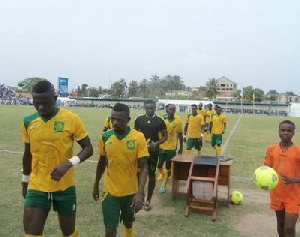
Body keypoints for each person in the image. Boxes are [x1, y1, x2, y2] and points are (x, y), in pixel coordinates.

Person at [21, 80, 93, 237]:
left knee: (69, 233)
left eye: (45, 103)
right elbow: (27, 154)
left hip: (64, 187)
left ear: (54, 98)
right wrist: (25, 181)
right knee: (31, 233)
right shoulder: (28, 122)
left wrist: (68, 164)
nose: (40, 107)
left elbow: (88, 148)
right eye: (36, 103)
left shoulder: (71, 119)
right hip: (37, 185)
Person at [93, 103, 149, 237]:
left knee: (128, 224)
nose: (115, 123)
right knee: (110, 229)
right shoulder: (105, 137)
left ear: (128, 120)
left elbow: (144, 166)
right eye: (112, 119)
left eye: (119, 120)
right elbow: (101, 163)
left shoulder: (138, 137)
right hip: (110, 192)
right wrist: (96, 184)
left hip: (131, 192)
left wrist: (140, 193)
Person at [264, 120, 300, 237]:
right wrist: (264, 181)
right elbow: (267, 169)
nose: (285, 133)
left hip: (293, 195)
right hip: (277, 193)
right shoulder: (272, 149)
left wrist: (294, 179)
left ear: (293, 133)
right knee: (281, 223)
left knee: (289, 228)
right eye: (283, 130)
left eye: (289, 131)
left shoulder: (298, 151)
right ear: (278, 132)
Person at [134, 99, 167, 211]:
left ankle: (148, 200)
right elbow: (134, 134)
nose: (149, 110)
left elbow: (164, 137)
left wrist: (156, 144)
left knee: (151, 174)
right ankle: (141, 196)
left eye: (151, 108)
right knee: (139, 173)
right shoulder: (139, 119)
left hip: (153, 152)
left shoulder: (159, 121)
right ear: (145, 108)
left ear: (155, 108)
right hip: (140, 152)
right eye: (147, 108)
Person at [157, 104, 183, 193]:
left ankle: (163, 185)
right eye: (170, 109)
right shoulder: (162, 119)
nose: (172, 111)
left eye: (173, 109)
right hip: (162, 146)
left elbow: (180, 134)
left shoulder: (178, 121)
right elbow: (157, 132)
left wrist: (181, 147)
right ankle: (162, 174)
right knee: (159, 164)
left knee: (168, 165)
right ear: (166, 110)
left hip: (172, 148)